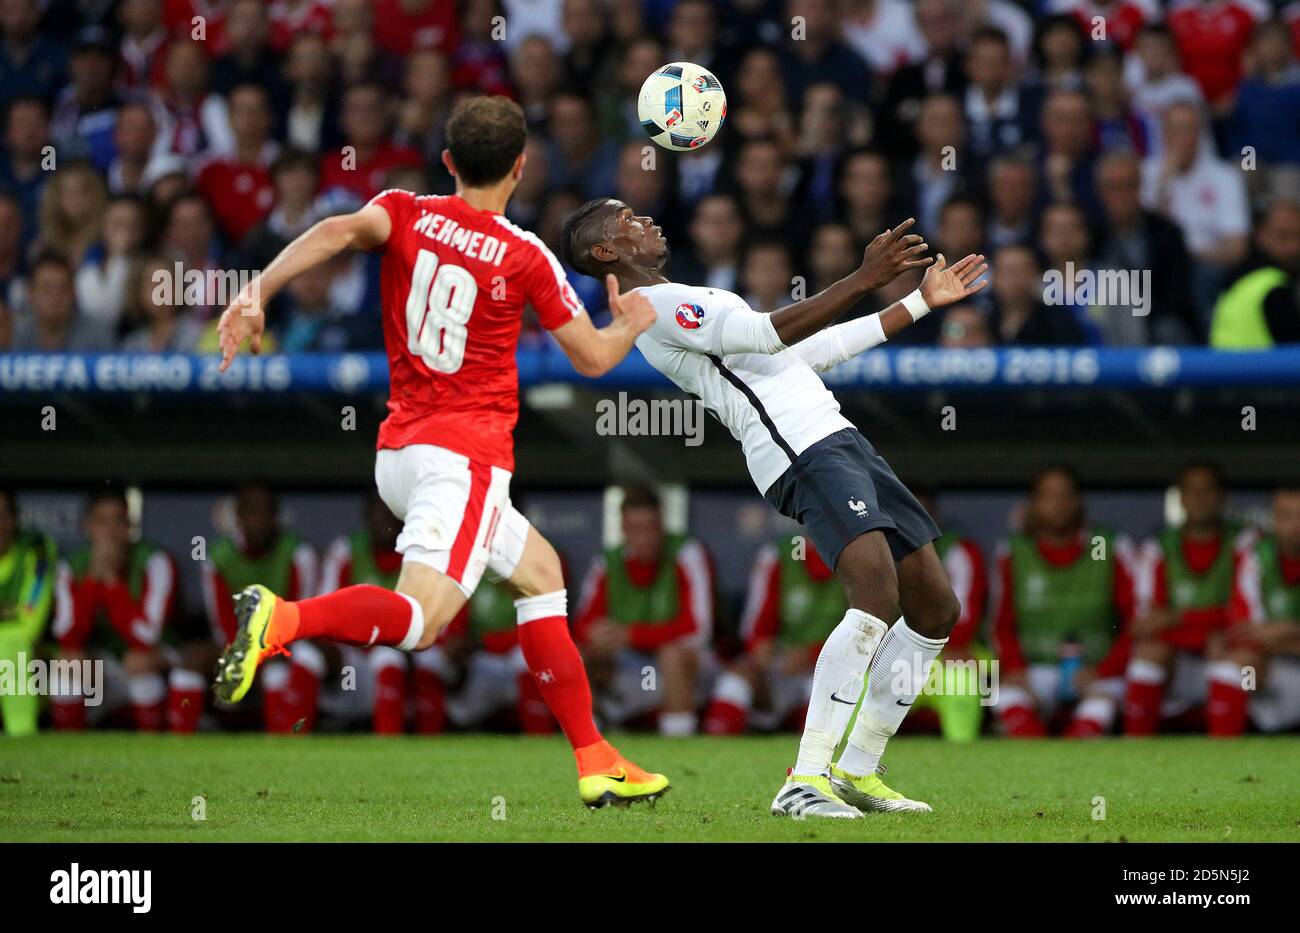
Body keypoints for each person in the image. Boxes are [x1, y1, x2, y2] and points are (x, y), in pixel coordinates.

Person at [212, 96, 667, 809]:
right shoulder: (527, 257)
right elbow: (592, 359)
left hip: (399, 454)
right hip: (465, 460)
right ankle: (284, 619)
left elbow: (334, 229)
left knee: (542, 573)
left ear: (450, 162)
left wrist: (256, 290)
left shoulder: (402, 210)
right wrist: (632, 321)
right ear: (521, 167)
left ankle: (596, 756)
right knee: (422, 622)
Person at [561, 198, 987, 817]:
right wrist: (864, 277)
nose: (647, 220)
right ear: (605, 252)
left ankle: (857, 769)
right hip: (800, 452)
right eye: (627, 219)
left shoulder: (682, 295)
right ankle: (804, 778)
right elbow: (769, 332)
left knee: (935, 606)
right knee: (876, 594)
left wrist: (918, 302)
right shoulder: (649, 306)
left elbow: (807, 353)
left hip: (841, 440)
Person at [574, 486, 714, 737]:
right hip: (631, 667)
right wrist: (596, 633)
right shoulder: (607, 561)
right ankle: (590, 741)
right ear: (623, 529)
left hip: (689, 669)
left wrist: (632, 635)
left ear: (662, 525)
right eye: (635, 529)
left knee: (672, 654)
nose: (644, 537)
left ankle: (679, 745)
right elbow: (582, 624)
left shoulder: (686, 552)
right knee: (580, 655)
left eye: (650, 528)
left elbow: (699, 629)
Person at [1125, 465, 1249, 736]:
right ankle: (1135, 751)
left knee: (1240, 654)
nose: (1199, 498)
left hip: (1233, 659)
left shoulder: (1245, 542)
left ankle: (1228, 755)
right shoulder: (1158, 547)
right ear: (1179, 498)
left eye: (1207, 490)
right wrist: (1208, 624)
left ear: (1222, 496)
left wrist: (1178, 617)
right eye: (1191, 491)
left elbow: (1244, 621)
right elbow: (1144, 625)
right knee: (1148, 652)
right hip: (1179, 665)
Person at [0, 488, 56, 737]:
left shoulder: (36, 549)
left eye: (2, 515)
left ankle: (22, 734)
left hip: (38, 655)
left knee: (11, 642)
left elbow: (30, 623)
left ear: (14, 520)